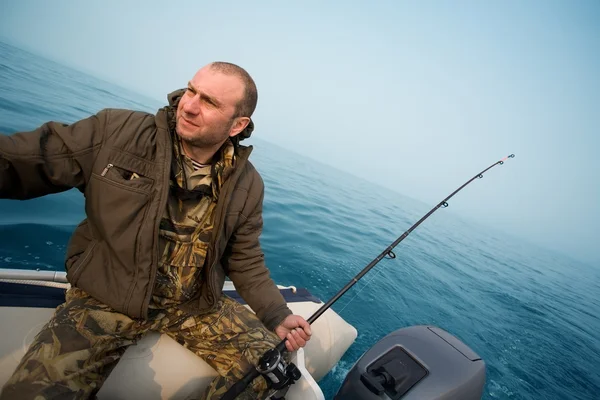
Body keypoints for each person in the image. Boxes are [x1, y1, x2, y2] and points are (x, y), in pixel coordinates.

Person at [0, 61, 311, 400]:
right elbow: (31, 159)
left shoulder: (247, 184)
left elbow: (244, 258)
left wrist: (277, 314)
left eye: (208, 102)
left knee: (271, 369)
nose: (188, 105)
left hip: (194, 306)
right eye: (191, 90)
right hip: (107, 298)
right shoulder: (116, 132)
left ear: (237, 125)